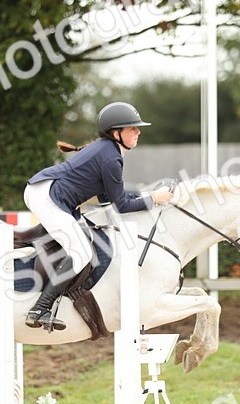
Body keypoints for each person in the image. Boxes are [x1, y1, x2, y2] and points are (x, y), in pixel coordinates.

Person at [23, 101, 174, 330]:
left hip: (49, 193)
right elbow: (121, 206)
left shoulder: (108, 151)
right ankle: (40, 308)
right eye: (133, 128)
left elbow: (109, 199)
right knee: (81, 252)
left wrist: (149, 195)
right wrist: (153, 199)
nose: (138, 131)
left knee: (87, 240)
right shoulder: (111, 158)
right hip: (46, 197)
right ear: (117, 133)